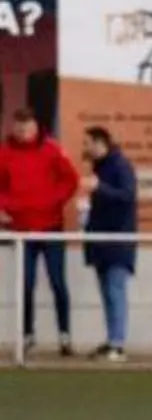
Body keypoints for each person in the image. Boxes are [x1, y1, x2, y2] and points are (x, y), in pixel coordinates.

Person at [0, 108, 81, 357]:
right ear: (13, 127)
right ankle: (27, 335)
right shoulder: (4, 153)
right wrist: (6, 208)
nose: (23, 132)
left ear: (35, 126)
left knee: (58, 282)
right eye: (19, 127)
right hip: (22, 231)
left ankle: (65, 336)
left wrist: (52, 202)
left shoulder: (51, 150)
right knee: (25, 284)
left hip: (51, 228)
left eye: (27, 127)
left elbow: (71, 180)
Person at [83, 125, 138, 363]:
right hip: (101, 242)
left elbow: (127, 196)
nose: (85, 148)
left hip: (118, 241)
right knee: (107, 293)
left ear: (100, 143)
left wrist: (100, 188)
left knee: (115, 291)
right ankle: (111, 340)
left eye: (87, 143)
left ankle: (117, 343)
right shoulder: (100, 167)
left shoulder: (120, 166)